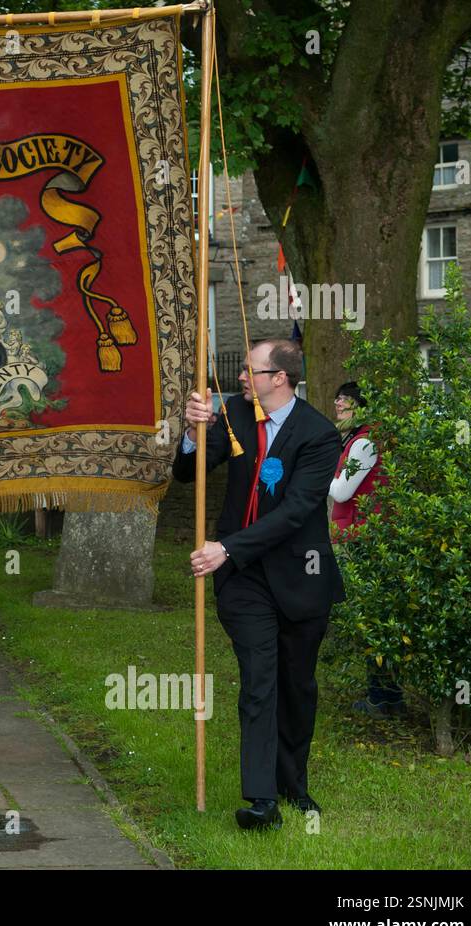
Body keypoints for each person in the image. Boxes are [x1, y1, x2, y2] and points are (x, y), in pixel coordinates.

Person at [174, 339, 344, 830]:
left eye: (252, 371)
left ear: (280, 378)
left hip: (302, 575)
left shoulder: (319, 434)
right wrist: (192, 432)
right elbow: (189, 472)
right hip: (244, 579)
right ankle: (262, 800)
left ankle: (293, 784)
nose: (242, 378)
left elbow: (295, 512)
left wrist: (225, 547)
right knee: (259, 682)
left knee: (297, 686)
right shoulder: (234, 415)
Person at [328, 381, 400, 717]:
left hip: (363, 538)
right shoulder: (359, 440)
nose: (338, 404)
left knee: (372, 617)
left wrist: (318, 472)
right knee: (377, 616)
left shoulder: (364, 443)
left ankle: (382, 696)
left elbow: (342, 492)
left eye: (346, 400)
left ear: (362, 406)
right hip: (364, 535)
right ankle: (388, 694)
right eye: (337, 398)